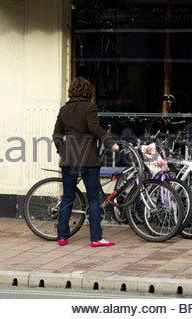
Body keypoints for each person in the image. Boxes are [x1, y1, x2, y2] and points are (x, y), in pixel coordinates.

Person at [53, 77, 119, 247]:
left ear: (71, 91)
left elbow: (57, 135)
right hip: (88, 157)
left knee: (68, 197)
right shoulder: (90, 107)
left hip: (69, 159)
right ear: (87, 91)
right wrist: (110, 142)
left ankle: (62, 236)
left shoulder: (64, 110)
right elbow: (94, 128)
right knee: (93, 199)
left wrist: (63, 151)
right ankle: (96, 238)